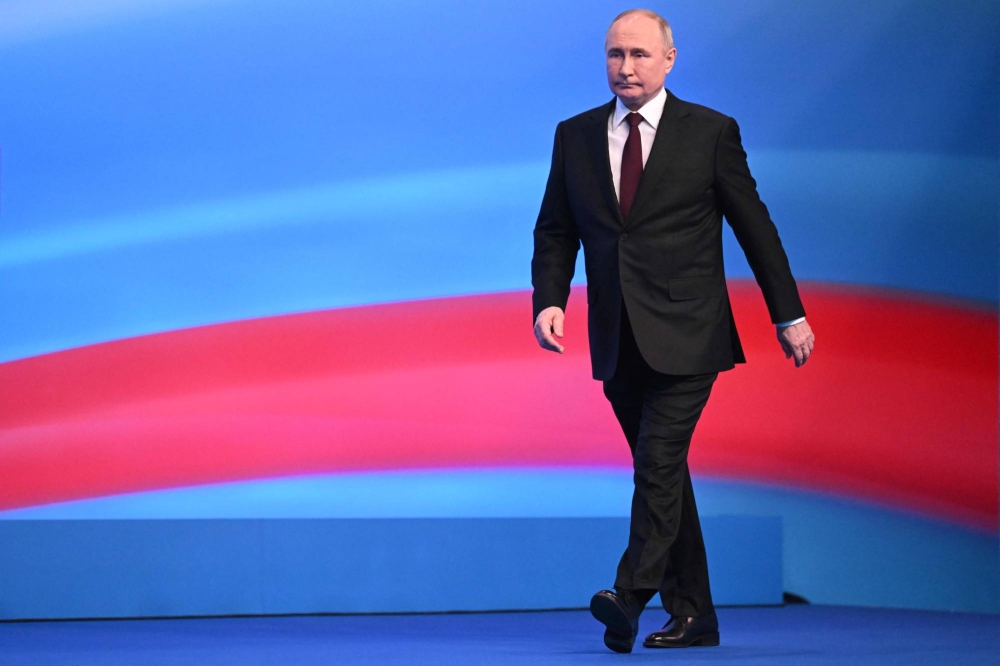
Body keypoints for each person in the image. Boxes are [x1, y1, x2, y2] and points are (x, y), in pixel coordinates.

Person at [530, 8, 815, 654]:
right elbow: (555, 228)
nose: (625, 67)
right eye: (615, 54)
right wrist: (550, 299)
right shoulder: (575, 135)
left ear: (669, 59)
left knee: (657, 464)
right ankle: (695, 616)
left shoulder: (710, 132)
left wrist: (787, 312)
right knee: (665, 475)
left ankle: (628, 595)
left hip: (690, 332)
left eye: (638, 54)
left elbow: (754, 226)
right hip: (616, 334)